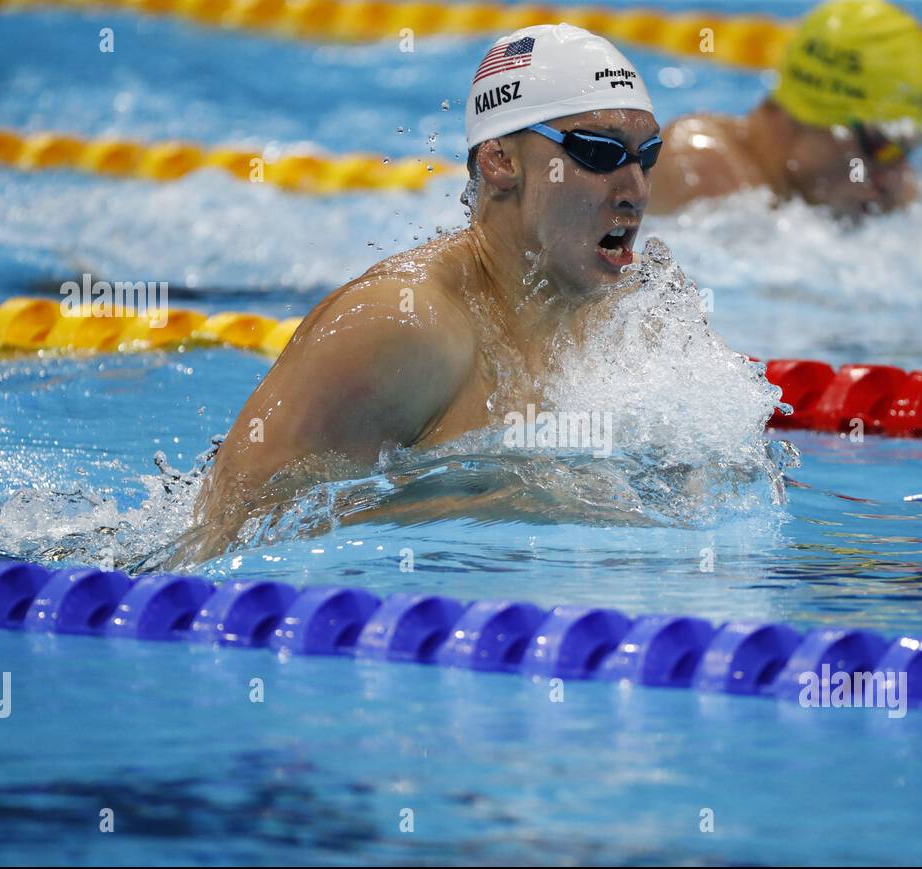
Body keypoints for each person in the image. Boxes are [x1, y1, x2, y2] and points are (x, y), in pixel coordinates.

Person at [190, 24, 662, 556]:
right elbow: (231, 531)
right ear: (500, 161)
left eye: (647, 156)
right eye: (599, 154)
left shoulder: (630, 317)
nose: (636, 191)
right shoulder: (402, 324)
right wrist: (501, 500)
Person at [649, 0, 922, 217]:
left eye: (905, 149)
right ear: (807, 116)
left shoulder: (877, 183)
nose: (893, 178)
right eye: (880, 144)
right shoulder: (697, 168)